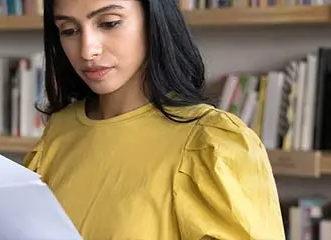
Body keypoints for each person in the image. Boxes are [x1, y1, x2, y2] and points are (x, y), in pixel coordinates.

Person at [22, 0, 286, 239]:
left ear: (154, 19)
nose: (87, 50)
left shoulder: (211, 143)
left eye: (109, 23)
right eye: (69, 30)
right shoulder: (58, 131)